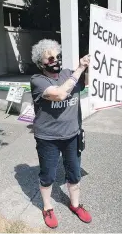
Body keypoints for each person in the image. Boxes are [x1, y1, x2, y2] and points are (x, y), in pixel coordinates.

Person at [30, 39, 91, 228]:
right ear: (41, 63)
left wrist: (88, 67)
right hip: (48, 138)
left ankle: (75, 205)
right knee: (48, 175)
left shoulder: (67, 74)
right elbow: (59, 94)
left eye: (57, 56)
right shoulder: (38, 81)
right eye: (50, 58)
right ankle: (47, 208)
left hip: (72, 135)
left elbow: (85, 83)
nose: (56, 60)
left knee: (74, 173)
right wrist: (79, 69)